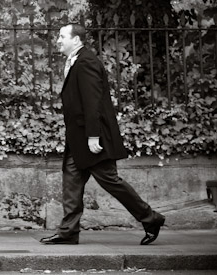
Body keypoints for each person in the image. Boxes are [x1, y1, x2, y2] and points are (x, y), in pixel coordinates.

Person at [40, 23, 165, 245]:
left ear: (76, 40)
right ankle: (68, 232)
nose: (58, 40)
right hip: (77, 139)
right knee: (71, 183)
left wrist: (93, 136)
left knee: (110, 181)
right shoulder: (75, 61)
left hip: (91, 139)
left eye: (61, 36)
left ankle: (151, 218)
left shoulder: (86, 61)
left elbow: (93, 102)